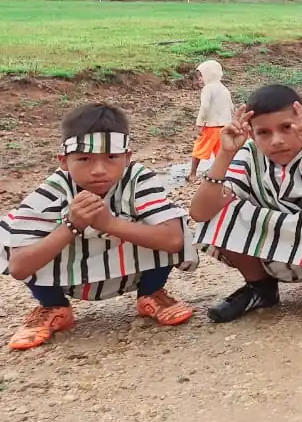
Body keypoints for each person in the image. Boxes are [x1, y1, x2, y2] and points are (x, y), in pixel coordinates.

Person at [2, 104, 198, 350]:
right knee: (12, 233)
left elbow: (173, 240)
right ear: (63, 161)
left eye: (112, 157)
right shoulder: (52, 191)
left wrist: (110, 223)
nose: (98, 170)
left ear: (127, 157)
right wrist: (71, 226)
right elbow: (19, 267)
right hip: (72, 275)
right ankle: (53, 305)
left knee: (171, 220)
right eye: (84, 159)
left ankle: (151, 292)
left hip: (128, 268)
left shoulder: (138, 179)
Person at [189, 85, 302, 321]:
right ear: (251, 135)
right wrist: (225, 155)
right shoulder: (248, 155)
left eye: (286, 128)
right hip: (269, 249)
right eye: (264, 133)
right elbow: (199, 213)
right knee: (219, 208)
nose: (277, 141)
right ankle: (260, 288)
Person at [188, 59, 235, 182]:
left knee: (199, 149)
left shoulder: (208, 89)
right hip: (224, 127)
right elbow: (231, 108)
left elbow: (204, 107)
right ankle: (222, 174)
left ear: (208, 75)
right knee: (220, 153)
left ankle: (192, 174)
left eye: (200, 77)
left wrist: (199, 124)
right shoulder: (224, 89)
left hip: (210, 126)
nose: (199, 81)